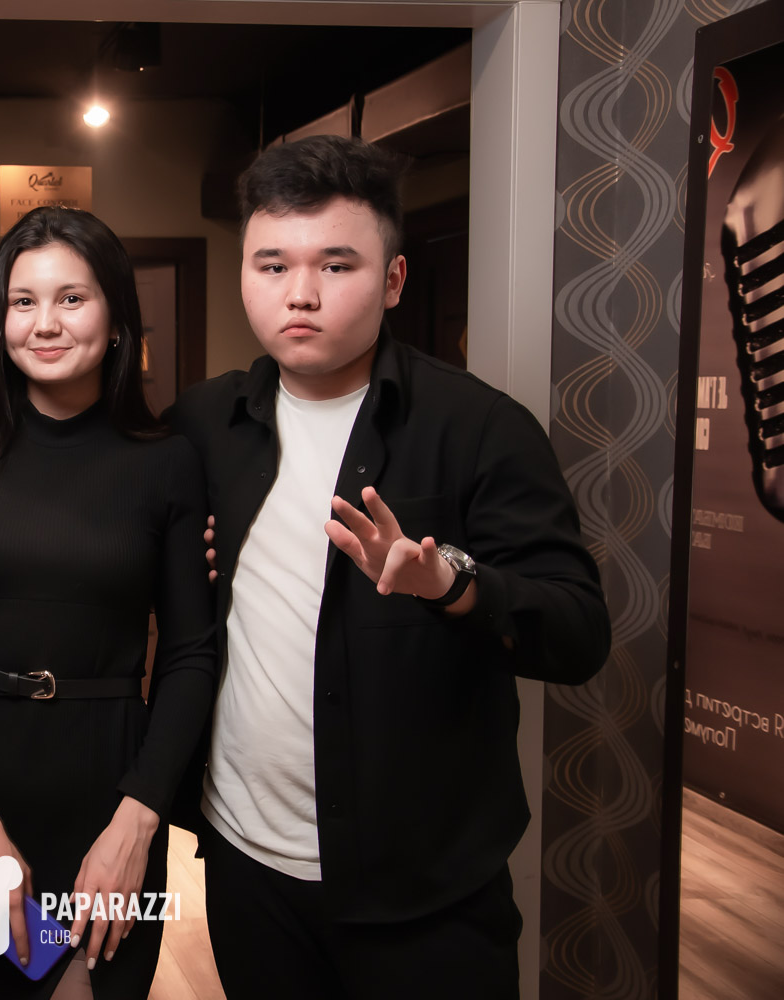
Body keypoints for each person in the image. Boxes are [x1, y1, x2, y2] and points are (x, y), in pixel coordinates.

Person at [166, 135, 611, 998]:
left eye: (336, 266)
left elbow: (578, 632)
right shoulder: (206, 422)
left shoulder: (480, 428)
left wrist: (449, 584)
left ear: (394, 280)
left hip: (426, 888)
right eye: (272, 265)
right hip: (247, 865)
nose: (300, 293)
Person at [0, 206, 217, 999]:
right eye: (23, 301)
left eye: (72, 298)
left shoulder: (168, 464)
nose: (45, 323)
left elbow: (190, 655)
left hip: (111, 798)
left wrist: (139, 819)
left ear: (116, 318)